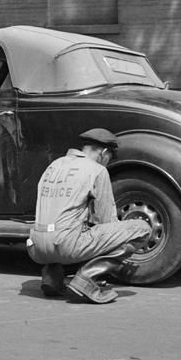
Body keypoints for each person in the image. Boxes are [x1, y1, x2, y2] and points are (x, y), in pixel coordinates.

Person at [26, 128, 152, 303]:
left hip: (35, 247)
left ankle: (52, 277)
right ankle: (86, 278)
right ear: (105, 152)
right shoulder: (97, 170)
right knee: (142, 229)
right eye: (109, 158)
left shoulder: (54, 165)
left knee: (64, 222)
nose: (108, 162)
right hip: (65, 245)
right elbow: (106, 220)